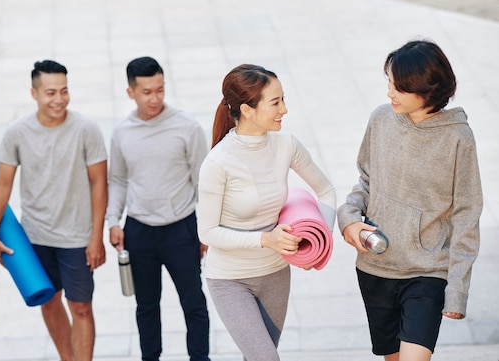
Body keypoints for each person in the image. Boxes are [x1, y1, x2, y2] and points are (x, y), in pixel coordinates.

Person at [337, 39, 483, 361]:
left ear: (428, 89)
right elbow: (365, 181)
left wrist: (457, 290)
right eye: (389, 83)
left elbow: (467, 212)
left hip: (426, 272)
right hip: (376, 267)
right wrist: (348, 219)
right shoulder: (381, 119)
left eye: (399, 87)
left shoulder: (458, 137)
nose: (390, 93)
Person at [196, 64, 336, 361]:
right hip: (229, 279)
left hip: (275, 274)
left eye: (283, 99)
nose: (284, 109)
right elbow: (206, 233)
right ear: (247, 110)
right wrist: (265, 240)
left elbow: (326, 191)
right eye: (275, 102)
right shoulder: (218, 162)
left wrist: (320, 245)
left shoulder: (286, 144)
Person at [0, 60, 108, 361]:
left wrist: (96, 238)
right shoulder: (17, 132)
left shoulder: (86, 129)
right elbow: (2, 186)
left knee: (81, 307)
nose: (59, 99)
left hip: (77, 237)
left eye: (64, 91)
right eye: (50, 92)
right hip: (36, 236)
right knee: (49, 301)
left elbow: (99, 185)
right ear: (34, 93)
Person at [107, 56, 211, 361]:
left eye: (160, 89)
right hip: (138, 231)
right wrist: (113, 220)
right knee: (146, 306)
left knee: (194, 303)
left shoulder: (187, 127)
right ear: (131, 93)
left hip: (181, 228)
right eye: (147, 92)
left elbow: (203, 183)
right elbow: (118, 179)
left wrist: (205, 228)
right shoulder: (122, 132)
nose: (155, 98)